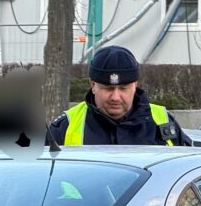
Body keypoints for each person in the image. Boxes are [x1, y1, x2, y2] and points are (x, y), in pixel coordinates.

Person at [48, 45, 191, 147]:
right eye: (108, 88)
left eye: (123, 88)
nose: (115, 97)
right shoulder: (66, 126)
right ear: (93, 86)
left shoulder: (163, 121)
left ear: (135, 85)